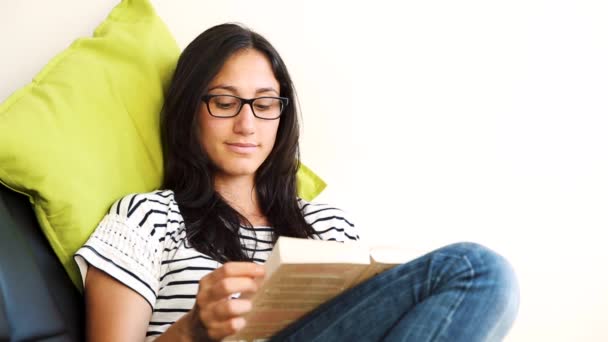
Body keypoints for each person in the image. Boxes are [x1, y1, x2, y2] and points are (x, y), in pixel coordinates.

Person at [74, 23, 520, 341]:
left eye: (265, 104)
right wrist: (193, 329)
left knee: (485, 281)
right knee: (478, 270)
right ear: (190, 111)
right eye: (226, 102)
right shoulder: (147, 217)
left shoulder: (331, 227)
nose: (247, 124)